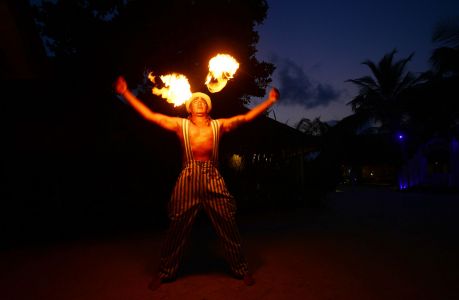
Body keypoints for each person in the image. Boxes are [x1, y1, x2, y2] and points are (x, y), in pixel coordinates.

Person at [114, 76, 279, 290]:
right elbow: (151, 116)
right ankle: (165, 272)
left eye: (203, 101)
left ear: (208, 108)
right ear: (189, 109)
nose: (199, 103)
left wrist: (270, 101)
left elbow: (245, 118)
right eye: (195, 102)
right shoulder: (179, 124)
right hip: (188, 177)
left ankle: (241, 269)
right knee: (177, 226)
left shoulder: (219, 125)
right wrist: (126, 93)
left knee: (228, 223)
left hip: (213, 177)